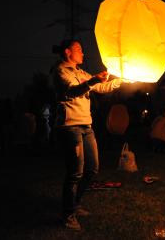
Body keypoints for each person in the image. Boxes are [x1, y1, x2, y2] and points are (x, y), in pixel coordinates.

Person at [51, 39, 125, 230]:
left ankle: (75, 203)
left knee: (92, 169)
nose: (83, 53)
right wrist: (93, 80)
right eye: (79, 50)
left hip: (86, 125)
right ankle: (68, 215)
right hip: (70, 126)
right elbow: (71, 91)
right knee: (75, 172)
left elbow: (101, 87)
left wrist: (121, 80)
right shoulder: (60, 71)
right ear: (68, 52)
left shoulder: (81, 73)